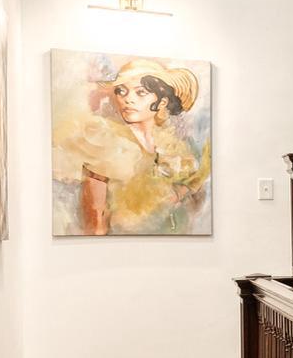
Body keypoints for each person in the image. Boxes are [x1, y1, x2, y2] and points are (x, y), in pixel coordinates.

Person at [53, 57, 209, 234]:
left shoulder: (173, 146)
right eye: (122, 91)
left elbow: (189, 192)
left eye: (140, 93)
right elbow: (95, 221)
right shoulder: (106, 140)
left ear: (162, 102)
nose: (128, 99)